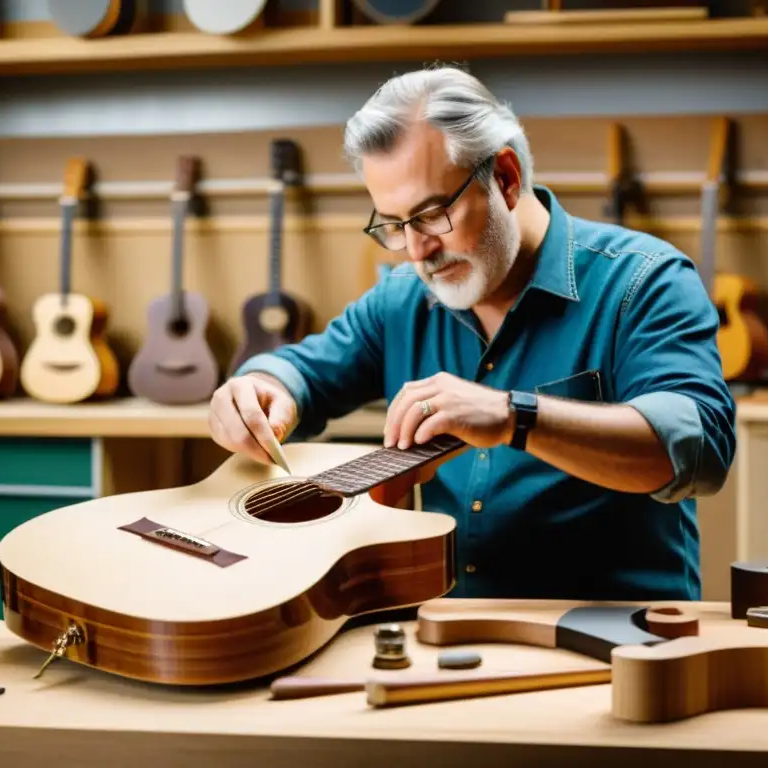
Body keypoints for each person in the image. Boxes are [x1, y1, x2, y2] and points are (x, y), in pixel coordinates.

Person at [208, 65, 736, 602]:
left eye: (432, 214)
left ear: (505, 177)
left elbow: (699, 451)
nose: (417, 251)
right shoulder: (403, 300)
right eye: (393, 225)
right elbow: (303, 373)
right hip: (443, 635)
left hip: (617, 643)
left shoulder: (644, 280)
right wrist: (259, 389)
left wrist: (514, 416)